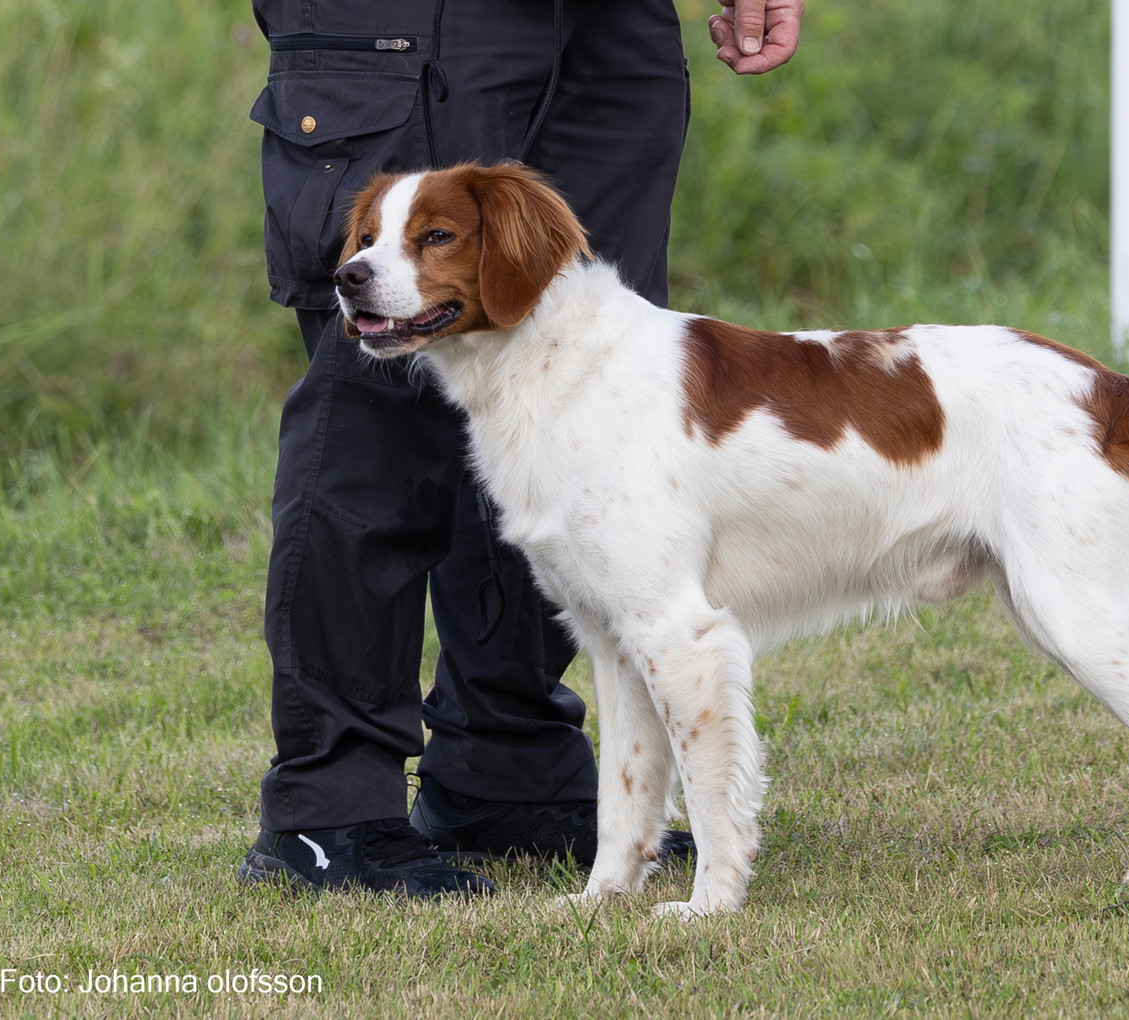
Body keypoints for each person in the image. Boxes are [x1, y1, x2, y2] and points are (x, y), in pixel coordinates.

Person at [239, 0, 804, 898]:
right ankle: (330, 811)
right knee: (377, 400)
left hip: (612, 21)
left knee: (583, 392)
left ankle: (502, 770)